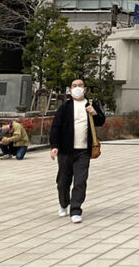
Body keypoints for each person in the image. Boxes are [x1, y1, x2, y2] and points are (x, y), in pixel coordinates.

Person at [49, 79, 106, 223]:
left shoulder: (91, 105)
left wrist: (94, 113)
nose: (77, 88)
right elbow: (56, 127)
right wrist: (54, 146)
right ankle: (63, 204)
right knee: (63, 181)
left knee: (80, 181)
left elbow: (101, 121)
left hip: (83, 151)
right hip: (66, 150)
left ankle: (76, 209)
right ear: (70, 90)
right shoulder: (65, 107)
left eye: (80, 86)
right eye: (74, 86)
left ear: (85, 89)